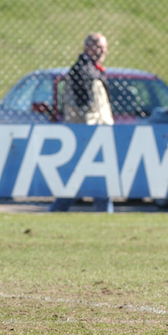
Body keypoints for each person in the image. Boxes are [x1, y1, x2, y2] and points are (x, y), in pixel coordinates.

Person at [49, 33, 114, 213]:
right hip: (89, 135)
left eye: (104, 47)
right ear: (87, 48)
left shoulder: (93, 70)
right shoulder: (82, 71)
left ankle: (103, 214)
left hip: (93, 134)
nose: (103, 51)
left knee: (77, 183)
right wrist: (93, 133)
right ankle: (105, 215)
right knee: (96, 182)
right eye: (98, 47)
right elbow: (84, 109)